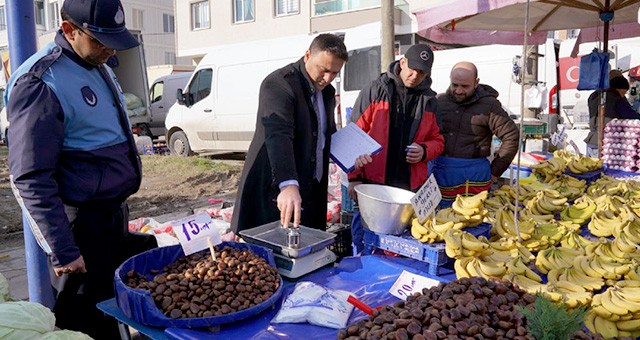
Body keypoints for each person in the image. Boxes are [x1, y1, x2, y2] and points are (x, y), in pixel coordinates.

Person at [6, 0, 156, 338]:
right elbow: (29, 176)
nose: (109, 49)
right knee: (87, 324)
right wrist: (63, 249)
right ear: (70, 30)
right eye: (100, 40)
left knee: (118, 313)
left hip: (110, 219)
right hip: (79, 231)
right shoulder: (40, 82)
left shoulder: (96, 62)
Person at [231, 34, 370, 233]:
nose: (328, 78)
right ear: (307, 56)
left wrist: (351, 155)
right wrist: (287, 184)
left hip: (311, 189)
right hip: (277, 189)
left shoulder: (328, 93)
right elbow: (279, 135)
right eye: (324, 70)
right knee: (273, 252)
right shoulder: (279, 84)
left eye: (335, 73)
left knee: (309, 249)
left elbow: (325, 135)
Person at [433, 61, 519, 202]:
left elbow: (512, 136)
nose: (459, 91)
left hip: (474, 176)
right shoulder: (439, 101)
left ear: (476, 82)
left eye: (465, 86)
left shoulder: (490, 105)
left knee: (473, 219)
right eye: (455, 85)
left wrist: (495, 172)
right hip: (440, 171)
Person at [585, 73, 640, 157]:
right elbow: (631, 116)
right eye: (624, 93)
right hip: (606, 143)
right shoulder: (616, 99)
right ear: (619, 89)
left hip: (591, 141)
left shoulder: (593, 96)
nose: (623, 95)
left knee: (590, 167)